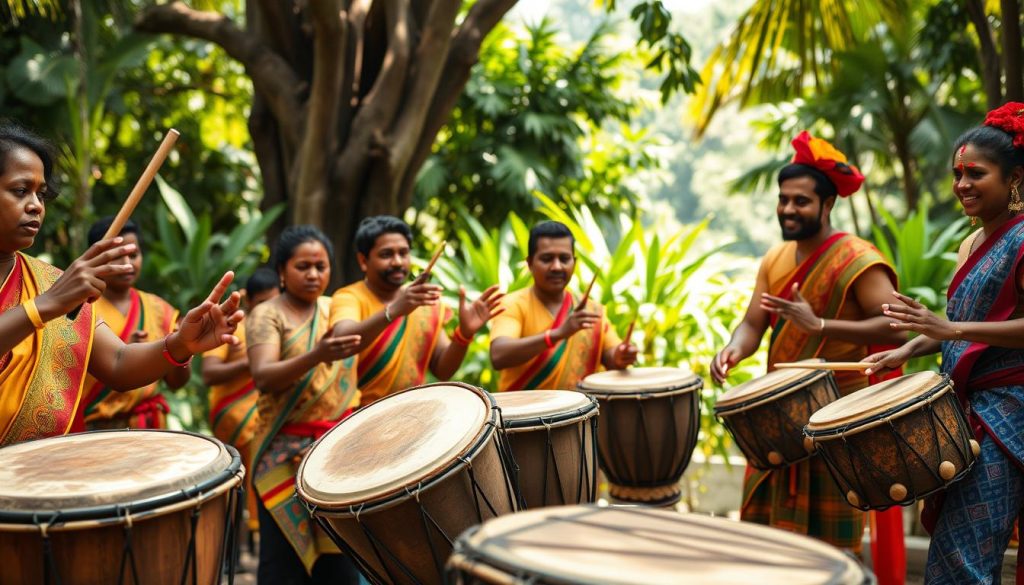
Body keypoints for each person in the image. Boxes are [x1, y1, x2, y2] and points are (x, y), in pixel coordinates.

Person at [710, 131, 904, 553]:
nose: (788, 209)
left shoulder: (857, 258)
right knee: (768, 543)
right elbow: (752, 323)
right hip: (777, 420)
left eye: (800, 201)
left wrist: (820, 325)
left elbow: (897, 329)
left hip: (838, 420)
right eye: (783, 199)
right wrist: (733, 349)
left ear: (827, 205)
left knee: (831, 546)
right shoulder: (775, 258)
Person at [0, 120, 241, 446]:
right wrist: (46, 305)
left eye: (41, 194)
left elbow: (118, 363)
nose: (36, 205)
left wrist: (179, 344)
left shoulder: (48, 282)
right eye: (20, 191)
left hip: (43, 479)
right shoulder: (53, 293)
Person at [864, 103, 1024, 584]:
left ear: (1015, 178)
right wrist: (908, 347)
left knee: (966, 556)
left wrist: (948, 330)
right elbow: (960, 325)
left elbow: (960, 329)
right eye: (957, 173)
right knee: (957, 552)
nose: (962, 185)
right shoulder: (971, 244)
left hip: (1008, 416)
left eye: (977, 173)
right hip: (964, 413)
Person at [246, 226, 362, 583]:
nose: (314, 274)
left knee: (340, 561)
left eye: (321, 266)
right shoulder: (267, 314)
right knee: (283, 564)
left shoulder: (336, 310)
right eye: (303, 266)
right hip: (281, 456)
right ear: (282, 270)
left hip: (334, 454)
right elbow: (264, 376)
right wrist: (317, 355)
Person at [328, 215, 504, 405]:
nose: (397, 261)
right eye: (386, 254)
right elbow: (342, 340)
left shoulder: (426, 302)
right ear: (363, 261)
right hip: (358, 418)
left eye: (403, 253)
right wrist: (395, 310)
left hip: (413, 415)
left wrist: (465, 334)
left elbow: (443, 370)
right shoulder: (349, 297)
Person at [489, 220, 637, 391]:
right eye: (547, 259)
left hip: (580, 416)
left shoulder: (591, 311)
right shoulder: (512, 304)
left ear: (574, 262)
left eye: (564, 259)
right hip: (522, 415)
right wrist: (558, 334)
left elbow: (611, 356)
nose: (557, 266)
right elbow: (499, 355)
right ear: (530, 263)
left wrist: (621, 356)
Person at [78, 217, 184, 430]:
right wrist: (127, 354)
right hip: (95, 430)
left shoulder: (160, 309)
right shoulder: (80, 308)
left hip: (150, 428)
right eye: (118, 257)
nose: (127, 265)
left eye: (134, 255)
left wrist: (183, 346)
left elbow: (177, 382)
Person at [202, 266, 279, 542]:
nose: (268, 309)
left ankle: (259, 536)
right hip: (232, 412)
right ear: (248, 301)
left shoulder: (282, 325)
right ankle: (238, 538)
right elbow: (209, 373)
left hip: (266, 412)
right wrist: (255, 363)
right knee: (252, 443)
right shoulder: (234, 326)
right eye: (261, 303)